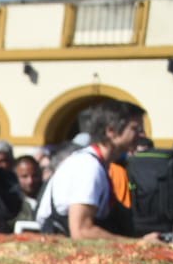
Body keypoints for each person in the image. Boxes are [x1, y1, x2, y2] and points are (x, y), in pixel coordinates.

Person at [36, 99, 147, 238]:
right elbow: (81, 231)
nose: (142, 135)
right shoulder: (88, 167)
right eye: (135, 129)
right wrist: (138, 244)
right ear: (111, 131)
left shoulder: (97, 164)